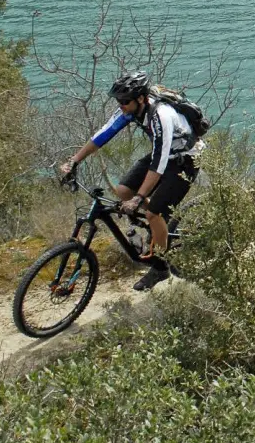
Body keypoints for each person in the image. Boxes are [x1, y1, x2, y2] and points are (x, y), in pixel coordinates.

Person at [59, 71, 202, 291]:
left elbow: (159, 164)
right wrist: (74, 161)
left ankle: (160, 266)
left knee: (152, 212)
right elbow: (103, 135)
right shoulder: (131, 109)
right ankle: (154, 227)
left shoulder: (161, 116)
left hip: (186, 160)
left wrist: (140, 198)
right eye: (119, 101)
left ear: (141, 99)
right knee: (123, 190)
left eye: (125, 101)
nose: (121, 105)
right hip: (163, 154)